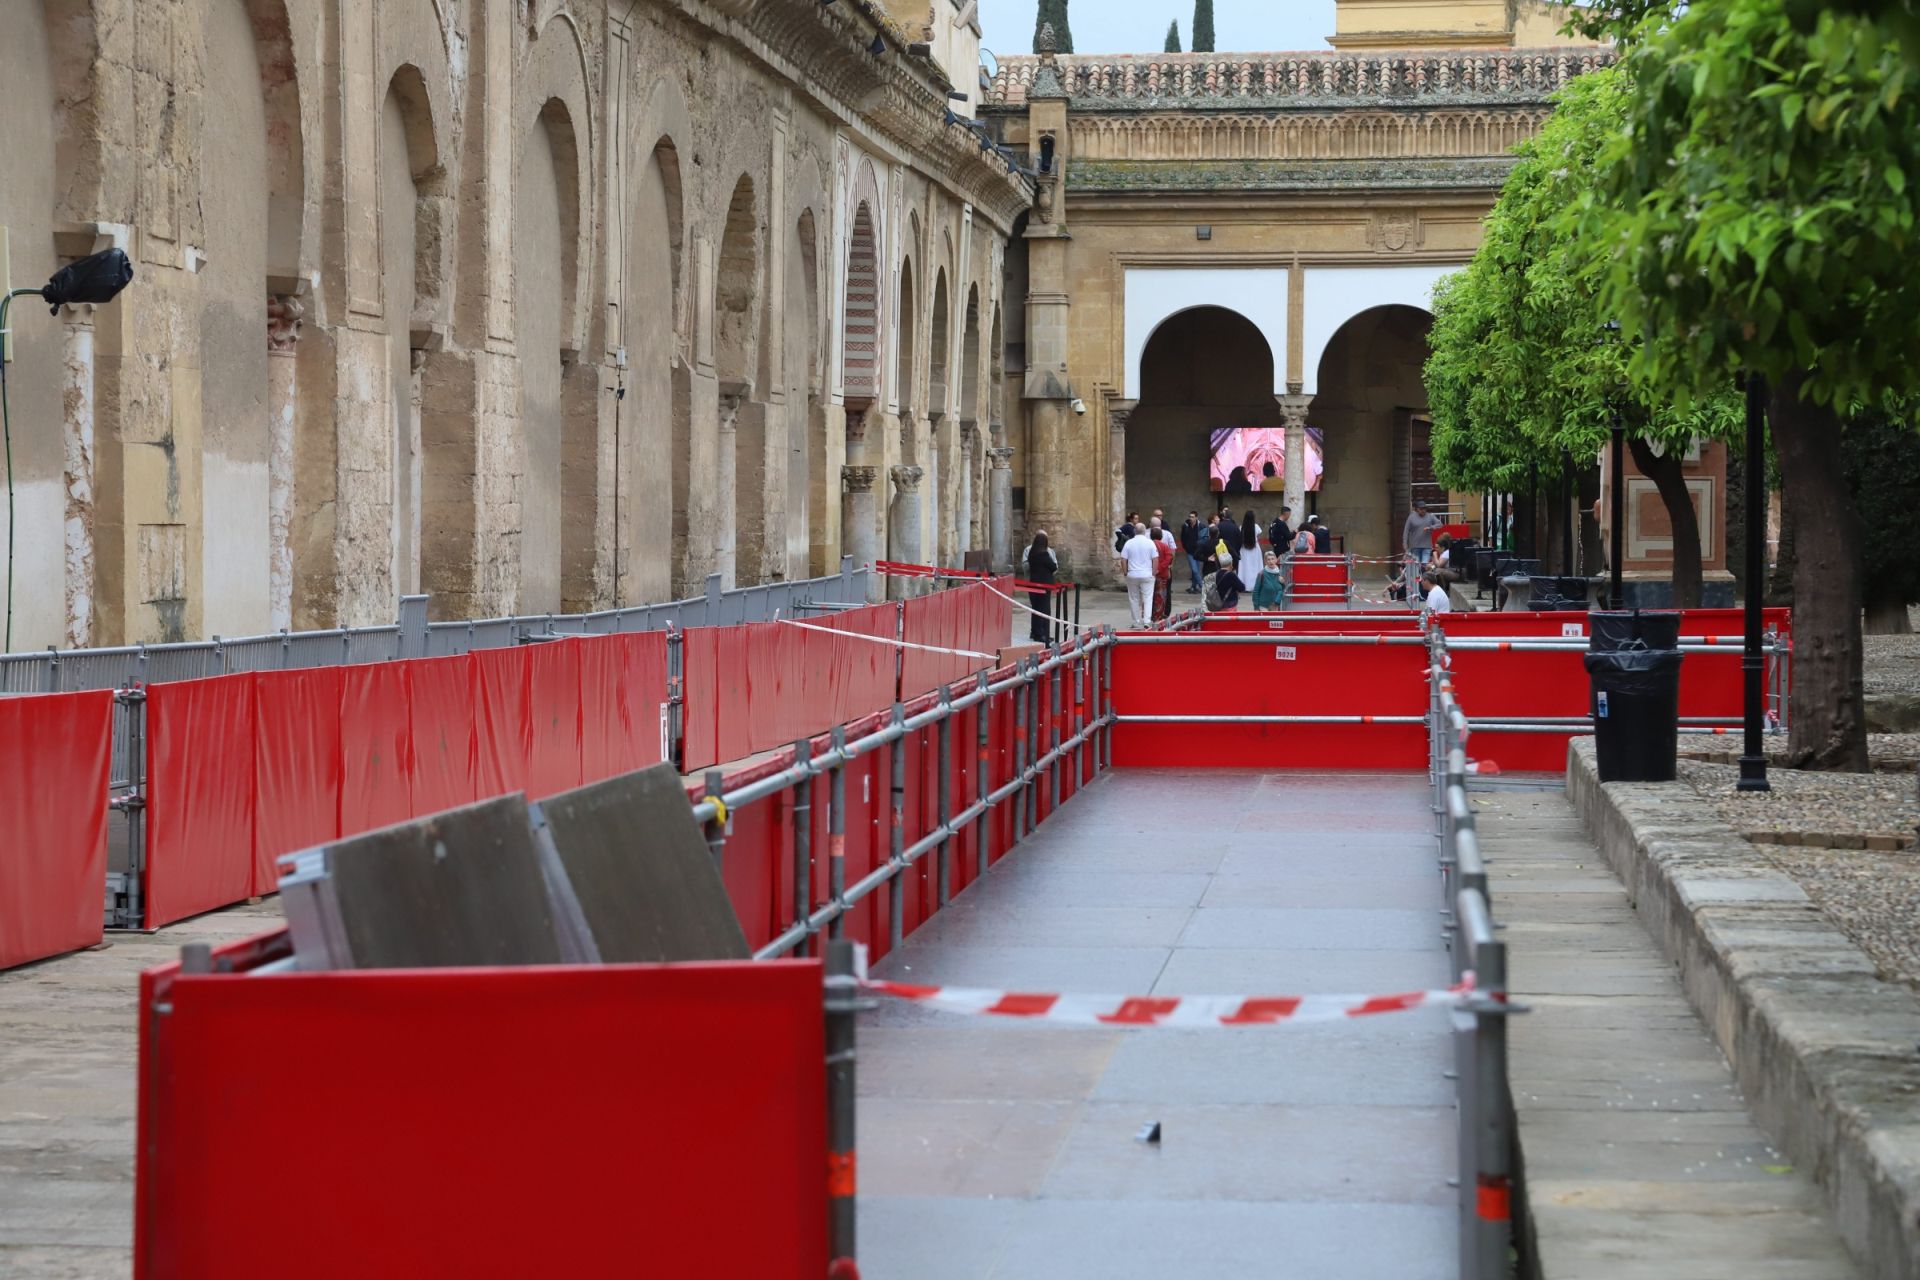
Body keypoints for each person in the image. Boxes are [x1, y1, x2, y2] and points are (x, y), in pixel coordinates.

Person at [1119, 522, 1158, 627]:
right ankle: (1147, 621)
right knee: (1148, 598)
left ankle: (1136, 621)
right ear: (1145, 531)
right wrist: (1154, 572)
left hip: (1132, 574)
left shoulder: (1129, 543)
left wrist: (1125, 572)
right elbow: (1155, 559)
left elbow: (1123, 559)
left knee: (1134, 598)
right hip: (1147, 573)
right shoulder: (1150, 543)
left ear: (1134, 531)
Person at [1024, 531, 1058, 644]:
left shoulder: (1031, 554)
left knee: (1036, 609)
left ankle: (1036, 632)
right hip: (1044, 585)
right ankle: (1043, 634)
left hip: (1033, 584)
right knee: (1044, 610)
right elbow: (1053, 567)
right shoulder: (1044, 554)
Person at [1149, 517, 1175, 621]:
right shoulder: (1165, 546)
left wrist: (1152, 569)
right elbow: (1169, 557)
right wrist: (1160, 568)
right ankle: (1158, 615)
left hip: (1150, 574)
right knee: (1160, 595)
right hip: (1162, 574)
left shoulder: (1149, 544)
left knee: (1149, 595)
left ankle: (1148, 614)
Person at [1403, 500, 1442, 569]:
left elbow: (1440, 524)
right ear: (1417, 509)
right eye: (1421, 509)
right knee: (1416, 566)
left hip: (1426, 546)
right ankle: (1418, 579)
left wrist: (1431, 527)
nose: (1423, 510)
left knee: (1424, 566)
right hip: (1415, 546)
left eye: (1424, 508)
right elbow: (1406, 531)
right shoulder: (1411, 517)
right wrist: (1405, 544)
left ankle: (1423, 579)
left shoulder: (1430, 516)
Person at [1180, 511, 1205, 594]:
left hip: (1198, 551)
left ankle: (1194, 586)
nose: (1191, 518)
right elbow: (1183, 538)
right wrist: (1186, 548)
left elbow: (1204, 538)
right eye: (1190, 516)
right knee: (1194, 570)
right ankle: (1202, 586)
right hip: (1190, 551)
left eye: (1193, 517)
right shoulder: (1186, 526)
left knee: (1196, 570)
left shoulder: (1201, 526)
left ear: (1196, 517)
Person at [1237, 511, 1262, 591]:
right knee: (1255, 567)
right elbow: (1258, 536)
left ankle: (1245, 586)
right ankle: (1255, 585)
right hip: (1255, 548)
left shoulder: (1241, 527)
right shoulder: (1256, 527)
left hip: (1244, 549)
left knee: (1245, 567)